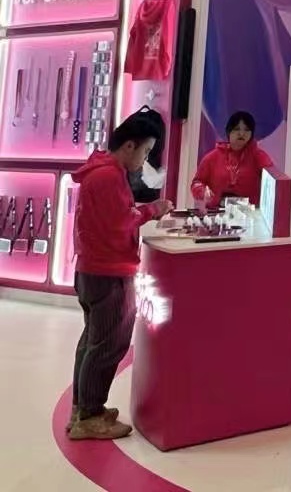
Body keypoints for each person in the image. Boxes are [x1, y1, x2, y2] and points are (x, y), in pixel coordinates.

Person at [69, 112, 174, 441]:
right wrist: (152, 210)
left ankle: (85, 407)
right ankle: (89, 415)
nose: (145, 160)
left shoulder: (102, 172)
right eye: (145, 152)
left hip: (94, 269)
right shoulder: (108, 177)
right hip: (108, 271)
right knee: (107, 345)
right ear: (129, 146)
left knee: (93, 342)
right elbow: (120, 223)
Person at [190, 111, 274, 208]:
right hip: (216, 213)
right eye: (237, 129)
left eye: (247, 130)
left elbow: (272, 181)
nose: (241, 133)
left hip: (249, 214)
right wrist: (202, 192)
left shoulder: (259, 156)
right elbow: (196, 183)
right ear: (229, 131)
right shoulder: (212, 157)